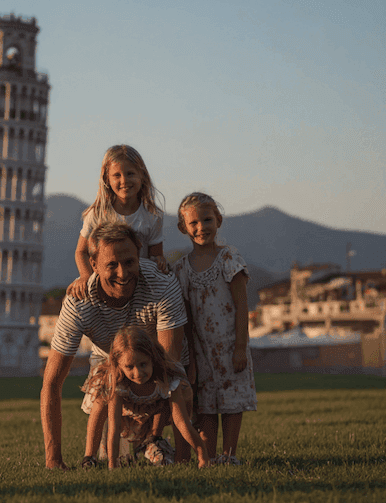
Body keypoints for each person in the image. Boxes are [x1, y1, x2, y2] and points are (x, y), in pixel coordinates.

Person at [40, 222, 188, 470]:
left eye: (129, 262)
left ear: (139, 254)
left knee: (180, 383)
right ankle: (101, 453)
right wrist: (53, 459)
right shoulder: (78, 303)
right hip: (109, 365)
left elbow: (170, 365)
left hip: (155, 363)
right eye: (112, 265)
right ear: (93, 265)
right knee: (114, 449)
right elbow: (52, 382)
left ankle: (166, 447)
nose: (122, 272)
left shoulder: (162, 284)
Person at [172, 192, 257, 466]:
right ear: (183, 227)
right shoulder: (182, 269)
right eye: (193, 223)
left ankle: (229, 455)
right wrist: (191, 360)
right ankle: (207, 457)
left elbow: (242, 306)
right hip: (201, 352)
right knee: (205, 405)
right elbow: (184, 317)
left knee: (232, 404)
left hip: (231, 347)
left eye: (207, 219)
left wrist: (241, 347)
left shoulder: (229, 258)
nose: (201, 228)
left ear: (218, 220)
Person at [82, 326, 211, 469]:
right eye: (129, 367)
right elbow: (114, 426)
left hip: (152, 409)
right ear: (119, 365)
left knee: (184, 398)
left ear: (153, 357)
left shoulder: (166, 378)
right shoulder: (116, 381)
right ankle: (89, 457)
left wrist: (202, 454)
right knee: (100, 402)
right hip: (126, 410)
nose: (137, 373)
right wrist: (113, 463)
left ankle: (162, 446)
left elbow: (182, 423)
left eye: (143, 364)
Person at [67, 145, 168, 301]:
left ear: (142, 175)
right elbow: (81, 252)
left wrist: (160, 261)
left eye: (130, 174)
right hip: (105, 284)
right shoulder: (97, 214)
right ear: (107, 178)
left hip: (138, 286)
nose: (124, 180)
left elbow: (155, 256)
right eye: (117, 175)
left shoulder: (152, 216)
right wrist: (85, 277)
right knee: (75, 298)